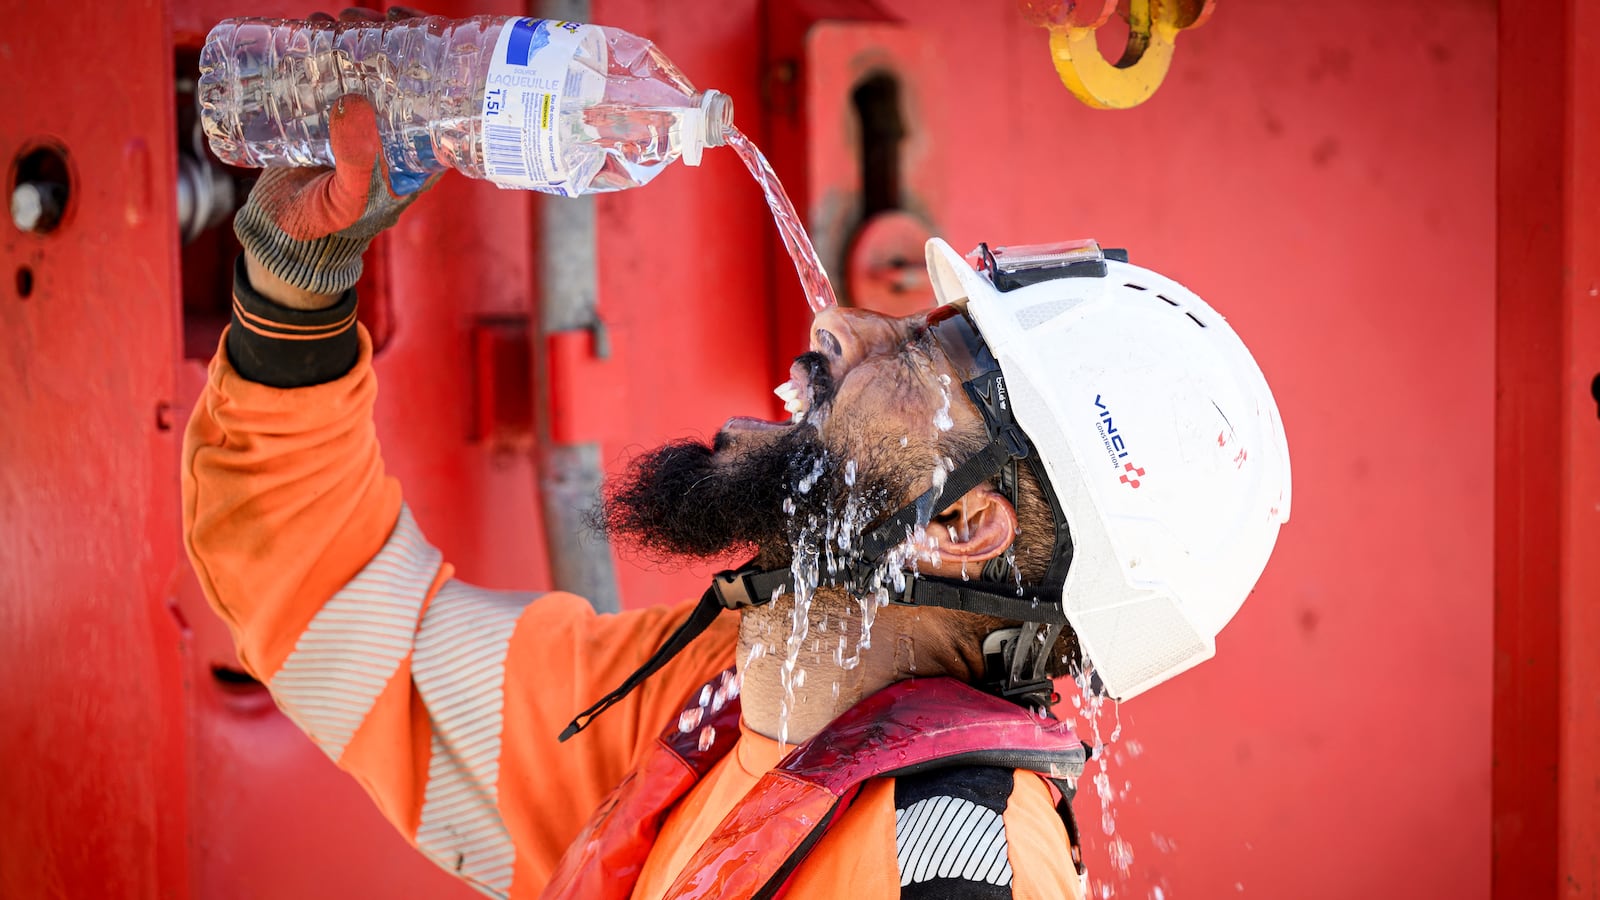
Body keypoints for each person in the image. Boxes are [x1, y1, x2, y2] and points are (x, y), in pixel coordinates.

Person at [183, 80, 1290, 900]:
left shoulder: (950, 870)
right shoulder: (722, 703)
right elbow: (355, 634)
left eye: (911, 356)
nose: (837, 326)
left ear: (960, 523)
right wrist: (296, 292)